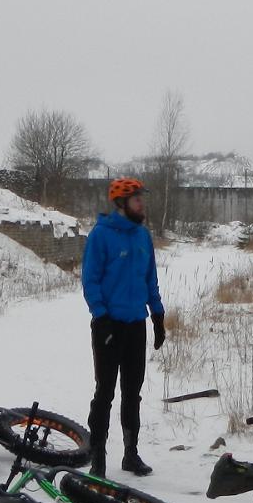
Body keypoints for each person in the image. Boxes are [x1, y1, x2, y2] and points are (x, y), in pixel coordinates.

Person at [82, 176, 165, 477]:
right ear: (121, 203)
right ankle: (98, 460)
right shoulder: (101, 236)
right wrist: (101, 317)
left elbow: (149, 279)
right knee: (105, 392)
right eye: (137, 198)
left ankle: (131, 454)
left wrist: (157, 315)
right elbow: (90, 280)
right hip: (109, 326)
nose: (142, 203)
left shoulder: (143, 237)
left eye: (142, 197)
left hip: (135, 326)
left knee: (133, 393)